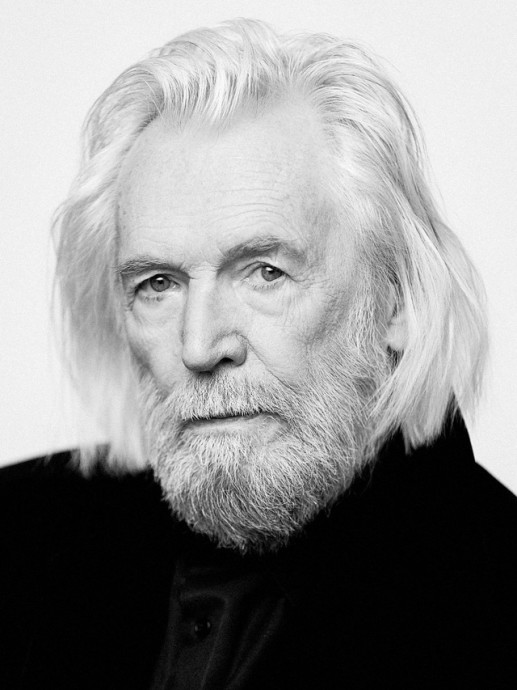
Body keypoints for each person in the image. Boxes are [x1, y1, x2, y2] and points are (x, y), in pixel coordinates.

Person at [1, 18, 516, 690]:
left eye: (265, 273)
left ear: (396, 301)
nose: (198, 345)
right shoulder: (16, 540)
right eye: (157, 284)